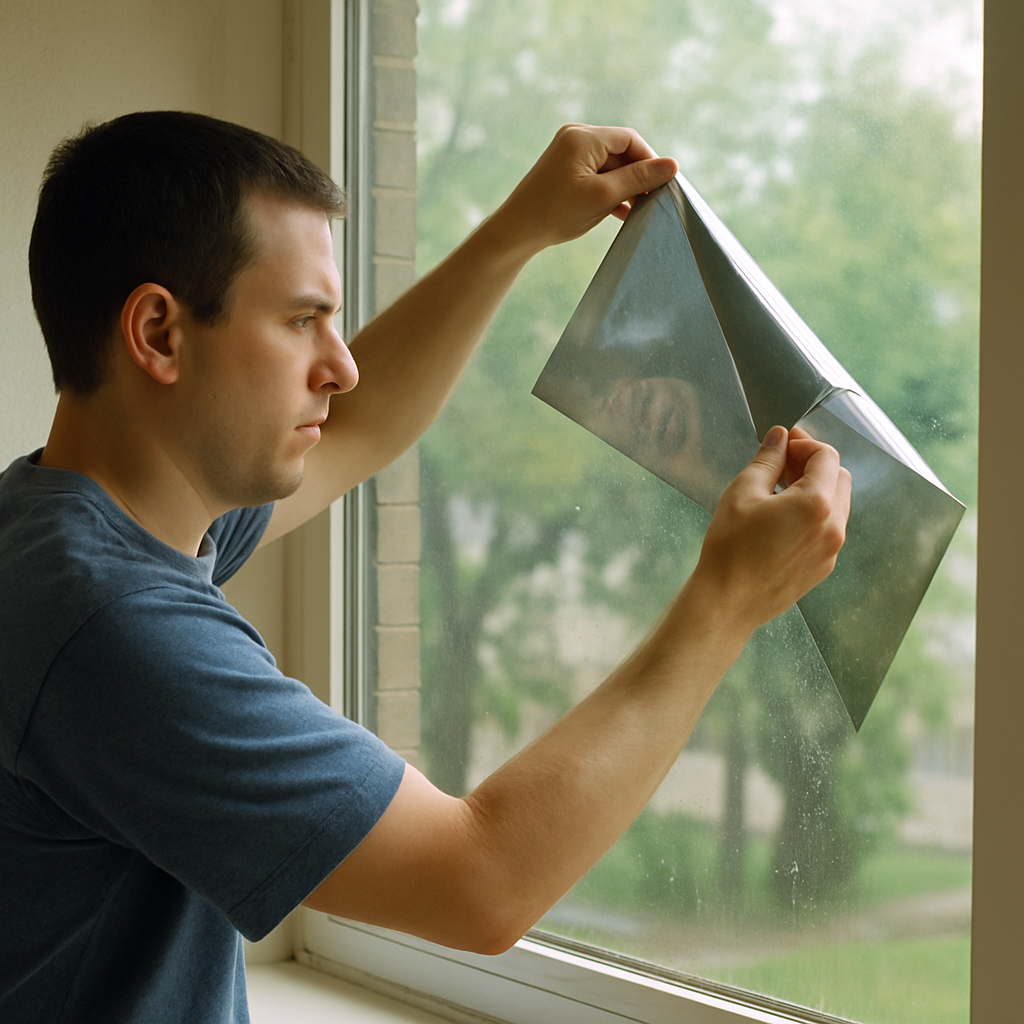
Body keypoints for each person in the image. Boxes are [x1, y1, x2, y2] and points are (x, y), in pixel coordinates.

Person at [0, 111, 851, 1023]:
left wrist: (518, 231)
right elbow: (479, 881)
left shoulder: (59, 526)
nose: (341, 367)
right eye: (303, 321)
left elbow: (356, 434)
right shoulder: (108, 625)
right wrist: (726, 600)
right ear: (159, 334)